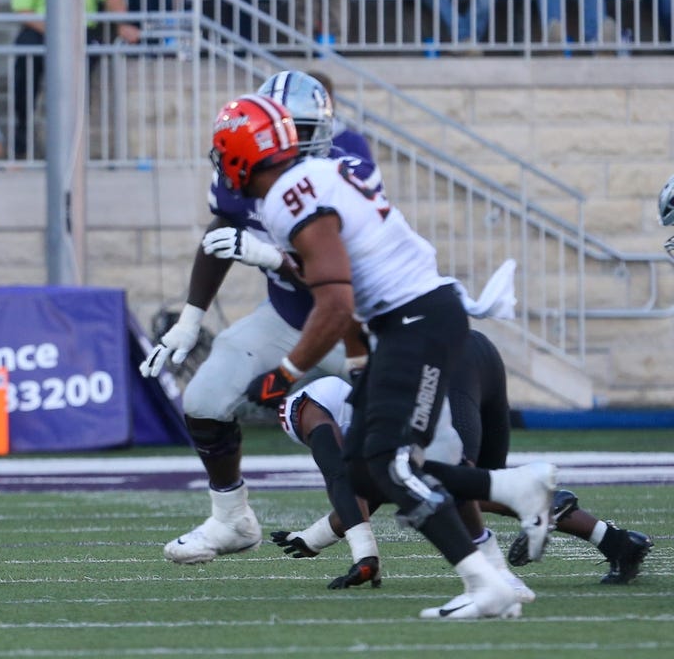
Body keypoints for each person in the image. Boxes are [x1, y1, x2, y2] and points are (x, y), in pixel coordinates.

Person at [207, 92, 556, 619]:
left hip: (414, 320)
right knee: (366, 471)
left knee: (391, 466)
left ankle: (486, 583)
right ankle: (508, 487)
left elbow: (335, 300)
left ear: (238, 157)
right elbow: (338, 277)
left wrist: (285, 372)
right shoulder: (317, 176)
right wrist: (353, 360)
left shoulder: (286, 197)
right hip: (409, 317)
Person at [140, 71, 372, 566]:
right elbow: (223, 227)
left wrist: (269, 255)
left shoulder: (347, 161)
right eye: (287, 126)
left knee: (420, 445)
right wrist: (190, 317)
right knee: (203, 397)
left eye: (307, 128)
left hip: (353, 323)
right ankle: (231, 519)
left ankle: (510, 505)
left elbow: (342, 273)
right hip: (287, 316)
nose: (299, 141)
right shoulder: (251, 160)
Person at [268, 329, 651, 589]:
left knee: (456, 485)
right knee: (483, 488)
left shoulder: (306, 409)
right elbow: (368, 494)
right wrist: (314, 537)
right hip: (472, 354)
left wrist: (361, 552)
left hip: (448, 369)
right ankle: (618, 543)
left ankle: (496, 576)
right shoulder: (352, 404)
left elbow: (340, 479)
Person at [9, 0, 140, 159]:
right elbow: (23, 10)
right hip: (42, 28)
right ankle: (22, 140)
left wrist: (123, 23)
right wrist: (58, 29)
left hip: (81, 29)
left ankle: (72, 144)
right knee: (26, 61)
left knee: (80, 75)